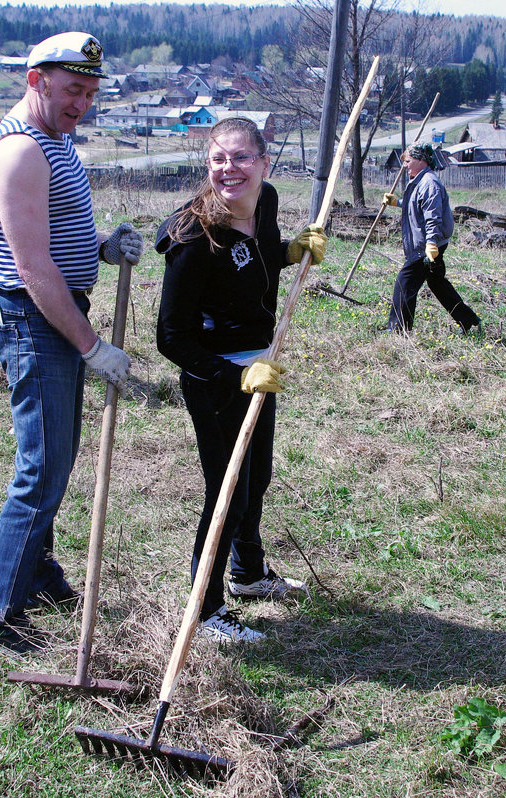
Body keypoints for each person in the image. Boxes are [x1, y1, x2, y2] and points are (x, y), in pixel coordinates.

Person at [0, 31, 144, 655]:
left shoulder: (55, 139)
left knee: (57, 459)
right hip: (35, 320)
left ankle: (39, 575)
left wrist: (100, 248)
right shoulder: (19, 153)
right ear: (36, 79)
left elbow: (59, 237)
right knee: (41, 470)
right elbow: (33, 269)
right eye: (73, 90)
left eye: (91, 93)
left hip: (56, 313)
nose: (83, 104)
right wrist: (93, 346)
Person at [155, 117, 327, 644]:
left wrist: (289, 253)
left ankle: (248, 573)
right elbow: (170, 336)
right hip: (214, 376)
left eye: (241, 158)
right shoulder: (193, 234)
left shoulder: (267, 203)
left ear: (263, 162)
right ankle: (204, 611)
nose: (228, 169)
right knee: (225, 490)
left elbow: (252, 264)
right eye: (218, 160)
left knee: (257, 476)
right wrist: (234, 374)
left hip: (261, 363)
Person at [382, 143, 480, 334]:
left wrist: (431, 243)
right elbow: (418, 205)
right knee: (437, 283)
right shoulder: (419, 180)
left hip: (426, 246)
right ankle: (468, 320)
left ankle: (398, 330)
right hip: (427, 243)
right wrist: (397, 202)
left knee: (405, 283)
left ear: (421, 160)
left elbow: (432, 217)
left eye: (408, 161)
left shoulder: (429, 183)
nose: (405, 166)